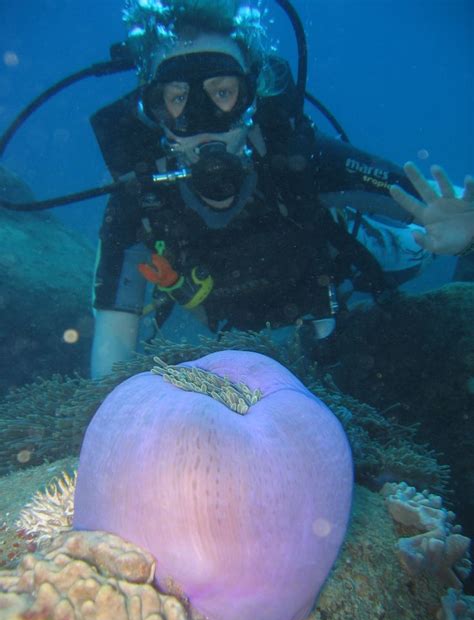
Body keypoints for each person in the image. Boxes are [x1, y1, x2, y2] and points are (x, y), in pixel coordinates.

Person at [90, 0, 474, 379]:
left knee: (415, 245)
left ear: (251, 96)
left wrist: (464, 230)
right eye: (178, 98)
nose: (204, 120)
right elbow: (112, 352)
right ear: (153, 111)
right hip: (230, 315)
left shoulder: (297, 159)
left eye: (222, 93)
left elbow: (426, 203)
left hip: (332, 276)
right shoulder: (139, 202)